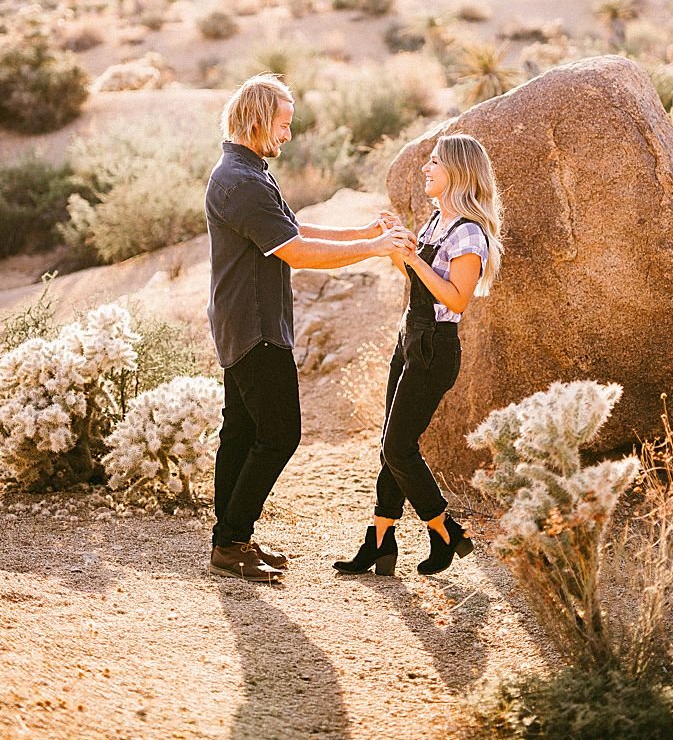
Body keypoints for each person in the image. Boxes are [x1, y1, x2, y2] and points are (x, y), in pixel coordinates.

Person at [206, 75, 414, 582]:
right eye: (282, 125)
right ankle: (232, 539)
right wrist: (375, 249)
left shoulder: (247, 173)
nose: (288, 135)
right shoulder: (243, 182)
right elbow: (295, 251)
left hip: (246, 319)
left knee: (242, 431)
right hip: (255, 326)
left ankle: (232, 540)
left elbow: (294, 229)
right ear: (256, 120)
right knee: (279, 434)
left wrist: (364, 232)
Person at [334, 133, 504, 577]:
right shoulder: (434, 223)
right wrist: (397, 244)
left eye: (434, 162)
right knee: (390, 444)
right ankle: (380, 540)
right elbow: (413, 277)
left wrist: (417, 261)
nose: (426, 169)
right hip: (410, 338)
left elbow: (458, 298)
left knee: (398, 445)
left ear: (457, 171)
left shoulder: (468, 232)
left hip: (436, 349)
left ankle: (446, 529)